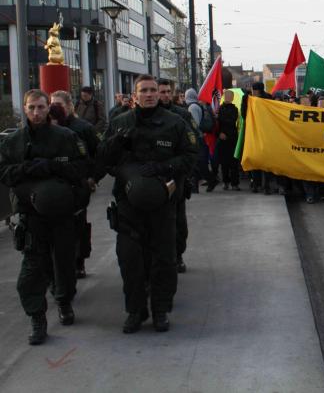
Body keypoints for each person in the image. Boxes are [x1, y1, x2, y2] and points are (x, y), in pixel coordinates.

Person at [98, 74, 196, 334]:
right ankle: (135, 311)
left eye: (154, 90)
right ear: (135, 95)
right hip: (128, 205)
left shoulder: (175, 123)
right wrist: (119, 148)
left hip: (163, 203)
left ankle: (161, 310)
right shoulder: (119, 123)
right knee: (130, 260)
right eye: (144, 90)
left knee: (164, 259)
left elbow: (191, 156)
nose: (150, 94)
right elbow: (103, 160)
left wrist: (163, 168)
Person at [0, 89, 90, 345]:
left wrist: (53, 168)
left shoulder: (66, 137)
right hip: (31, 215)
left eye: (41, 107)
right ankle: (37, 318)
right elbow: (4, 173)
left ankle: (64, 302)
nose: (36, 113)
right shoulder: (13, 142)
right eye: (32, 108)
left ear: (47, 108)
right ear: (25, 109)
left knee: (64, 263)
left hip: (62, 214)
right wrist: (27, 169)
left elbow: (82, 168)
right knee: (31, 271)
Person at [50, 90, 100, 279]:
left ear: (70, 106)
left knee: (78, 225)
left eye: (59, 104)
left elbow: (97, 153)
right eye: (52, 104)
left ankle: (79, 261)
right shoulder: (48, 127)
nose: (55, 108)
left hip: (78, 184)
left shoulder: (83, 128)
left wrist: (93, 177)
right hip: (56, 186)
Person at [158, 79, 200, 274]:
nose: (164, 95)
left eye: (167, 92)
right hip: (152, 178)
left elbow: (192, 146)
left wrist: (184, 171)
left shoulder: (182, 115)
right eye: (161, 92)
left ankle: (177, 255)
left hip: (176, 177)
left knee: (177, 220)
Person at [185, 88, 218, 192]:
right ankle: (196, 186)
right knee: (197, 163)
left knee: (200, 163)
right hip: (198, 138)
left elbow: (195, 124)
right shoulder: (196, 105)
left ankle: (211, 180)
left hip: (197, 139)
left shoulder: (193, 107)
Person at [216, 90, 241, 191]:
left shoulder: (234, 109)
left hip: (232, 138)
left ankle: (235, 183)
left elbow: (232, 121)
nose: (228, 97)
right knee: (224, 163)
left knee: (234, 162)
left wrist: (220, 117)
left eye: (230, 96)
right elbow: (217, 124)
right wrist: (219, 134)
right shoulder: (219, 108)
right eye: (226, 95)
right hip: (222, 138)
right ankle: (226, 182)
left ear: (232, 97)